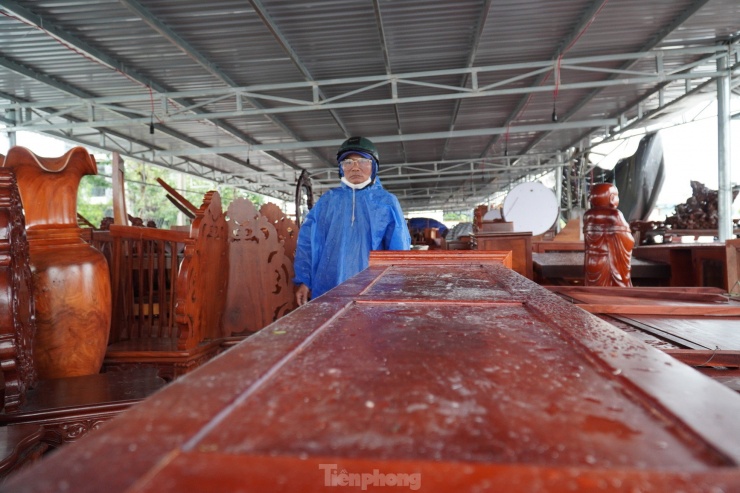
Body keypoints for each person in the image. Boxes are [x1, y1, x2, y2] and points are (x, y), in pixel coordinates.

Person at [293, 136, 411, 305]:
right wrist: (304, 281)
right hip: (329, 285)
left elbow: (399, 251)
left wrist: (394, 289)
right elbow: (308, 243)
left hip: (374, 288)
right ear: (341, 168)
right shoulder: (327, 202)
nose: (355, 167)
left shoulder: (386, 202)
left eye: (363, 161)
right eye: (348, 162)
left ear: (374, 166)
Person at [583, 183, 635, 287]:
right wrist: (631, 240)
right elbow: (627, 239)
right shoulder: (615, 214)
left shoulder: (587, 215)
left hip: (591, 259)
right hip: (608, 261)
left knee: (593, 289)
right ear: (611, 198)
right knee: (612, 291)